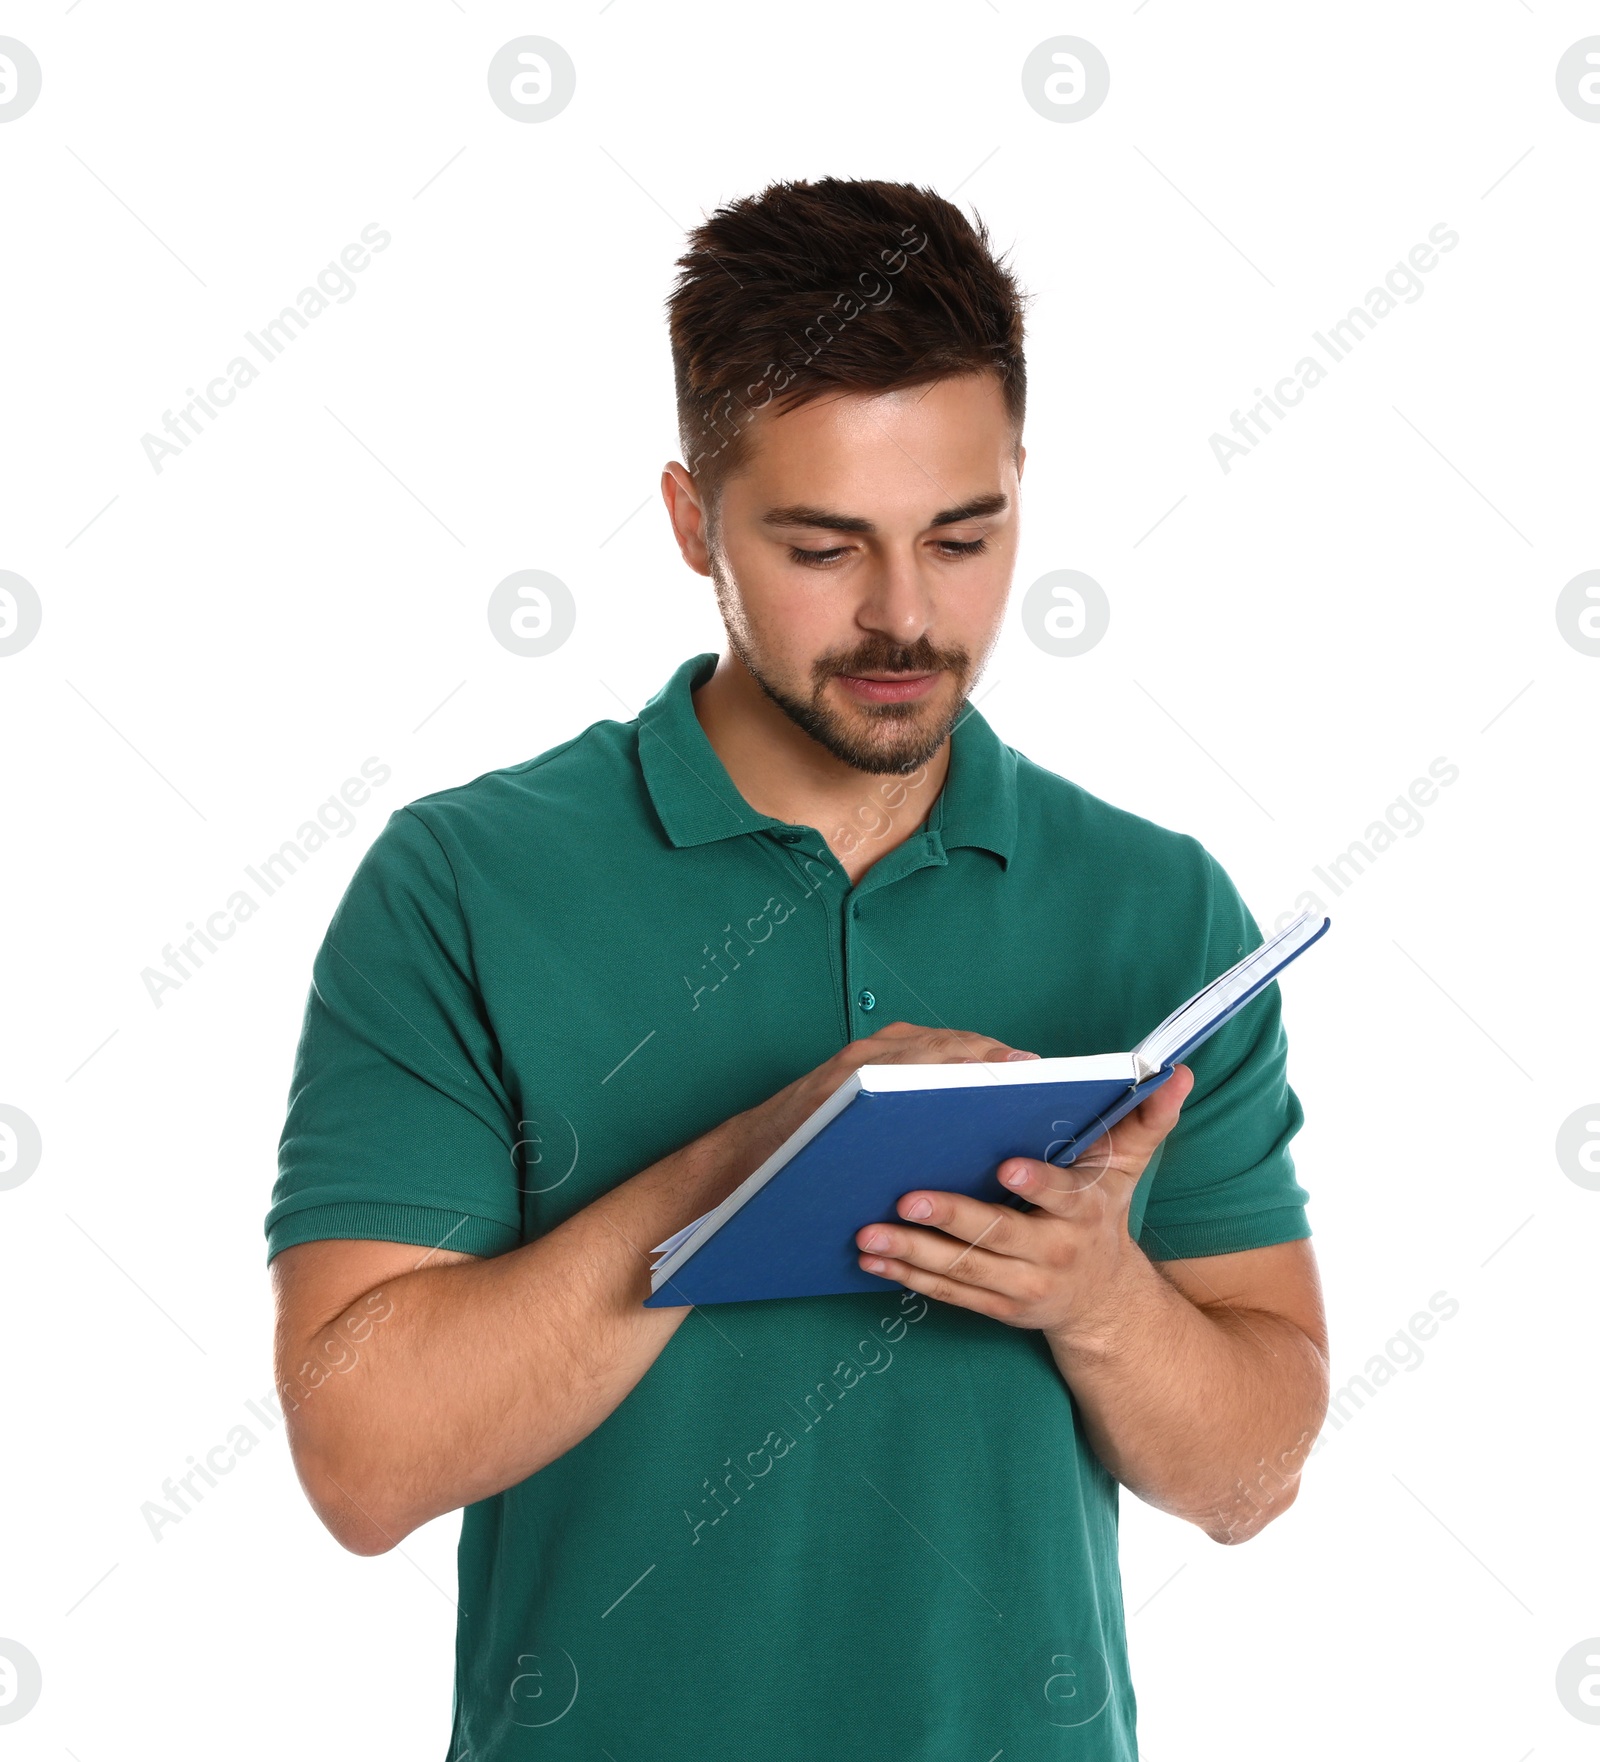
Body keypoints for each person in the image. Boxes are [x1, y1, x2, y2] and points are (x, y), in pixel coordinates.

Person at [267, 176, 1329, 1762]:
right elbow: (362, 1461)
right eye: (824, 546)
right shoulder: (463, 884)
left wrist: (1101, 1298)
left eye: (963, 537)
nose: (907, 615)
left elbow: (1254, 1477)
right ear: (694, 519)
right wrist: (761, 1158)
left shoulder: (1159, 906)